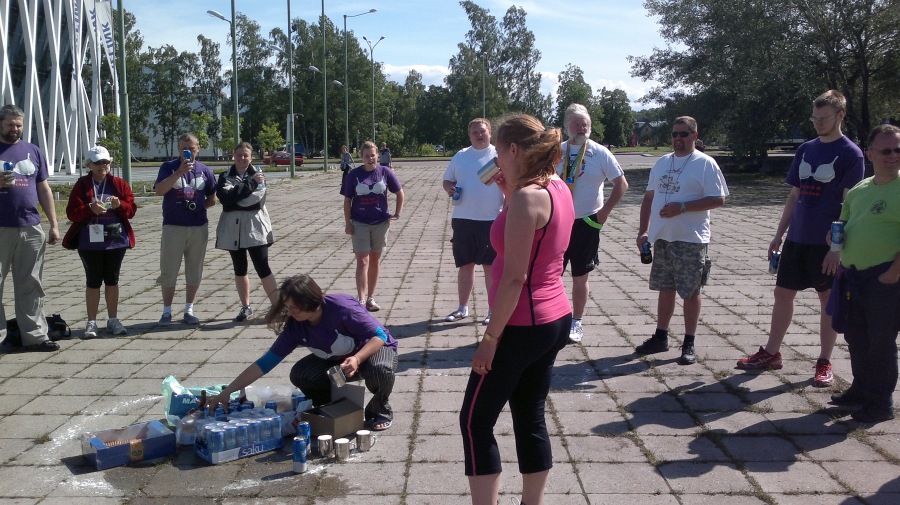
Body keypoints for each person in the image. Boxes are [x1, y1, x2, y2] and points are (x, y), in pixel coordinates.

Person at [459, 114, 573, 505]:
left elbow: (514, 278)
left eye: (499, 153)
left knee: (474, 422)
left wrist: (490, 339)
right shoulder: (556, 186)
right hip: (554, 317)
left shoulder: (527, 198)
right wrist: (508, 192)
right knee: (529, 415)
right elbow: (539, 240)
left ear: (513, 149)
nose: (496, 161)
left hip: (522, 324)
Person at [736, 90, 864, 386]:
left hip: (826, 243)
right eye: (814, 118)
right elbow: (794, 195)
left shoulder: (851, 153)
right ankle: (772, 353)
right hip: (798, 238)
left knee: (827, 300)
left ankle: (824, 361)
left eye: (824, 118)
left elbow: (850, 205)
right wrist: (778, 234)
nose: (818, 123)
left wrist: (836, 247)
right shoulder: (806, 149)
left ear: (840, 115)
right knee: (782, 294)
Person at [206, 274, 398, 431]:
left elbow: (380, 336)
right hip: (339, 359)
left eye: (294, 308)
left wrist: (357, 358)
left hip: (373, 350)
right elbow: (264, 364)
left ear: (311, 302)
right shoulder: (296, 327)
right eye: (287, 307)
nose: (290, 313)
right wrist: (227, 392)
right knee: (301, 373)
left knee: (380, 369)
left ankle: (379, 411)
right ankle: (332, 408)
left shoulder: (342, 309)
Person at [635, 116, 729, 365]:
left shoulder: (705, 163)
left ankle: (689, 342)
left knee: (690, 290)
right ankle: (661, 336)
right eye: (675, 134)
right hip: (662, 237)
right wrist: (643, 231)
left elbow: (718, 199)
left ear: (694, 135)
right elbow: (648, 198)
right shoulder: (662, 162)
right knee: (665, 288)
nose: (678, 138)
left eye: (684, 134)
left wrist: (683, 207)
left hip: (690, 239)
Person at [827, 124, 900, 423]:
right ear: (869, 154)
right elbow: (843, 224)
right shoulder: (860, 189)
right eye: (886, 151)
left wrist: (893, 274)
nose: (893, 156)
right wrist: (833, 240)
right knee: (857, 337)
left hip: (885, 278)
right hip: (854, 276)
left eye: (898, 150)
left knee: (881, 342)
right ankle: (861, 391)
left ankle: (881, 404)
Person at [555, 104, 629, 343]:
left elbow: (621, 184)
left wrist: (604, 213)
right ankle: (553, 318)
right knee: (551, 274)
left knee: (580, 275)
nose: (581, 128)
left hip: (586, 221)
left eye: (584, 123)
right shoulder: (556, 151)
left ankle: (576, 321)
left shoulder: (600, 152)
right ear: (567, 126)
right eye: (576, 124)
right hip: (557, 221)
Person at [0, 104, 60, 352]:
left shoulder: (33, 151)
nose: (15, 129)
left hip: (30, 227)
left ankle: (35, 336)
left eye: (19, 125)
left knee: (31, 283)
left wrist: (54, 224)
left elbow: (44, 189)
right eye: (10, 124)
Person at [63, 146, 136, 338]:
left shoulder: (119, 184)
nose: (102, 166)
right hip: (90, 242)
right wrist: (89, 208)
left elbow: (131, 210)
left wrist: (120, 205)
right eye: (97, 163)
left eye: (105, 162)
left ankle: (113, 320)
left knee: (112, 280)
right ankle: (91, 322)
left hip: (115, 241)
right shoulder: (82, 185)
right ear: (89, 164)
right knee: (93, 281)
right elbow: (71, 213)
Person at [442, 118, 503, 324]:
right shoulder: (461, 155)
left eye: (482, 131)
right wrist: (450, 188)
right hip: (463, 218)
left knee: (490, 266)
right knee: (465, 265)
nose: (479, 135)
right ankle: (462, 308)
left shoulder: (498, 155)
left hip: (491, 219)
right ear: (469, 135)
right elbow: (447, 180)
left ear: (490, 132)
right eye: (474, 132)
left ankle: (492, 310)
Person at [154, 133, 217, 325]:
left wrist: (198, 208)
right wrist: (178, 173)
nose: (187, 151)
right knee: (169, 269)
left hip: (198, 227)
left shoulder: (205, 170)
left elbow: (212, 199)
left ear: (198, 148)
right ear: (178, 149)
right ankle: (166, 311)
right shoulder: (168, 167)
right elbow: (159, 191)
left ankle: (189, 309)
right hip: (173, 226)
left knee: (194, 269)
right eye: (183, 148)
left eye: (191, 148)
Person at [215, 142, 278, 322]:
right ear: (233, 155)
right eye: (239, 155)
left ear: (251, 157)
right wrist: (249, 185)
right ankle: (246, 306)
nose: (242, 158)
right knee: (239, 268)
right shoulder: (225, 176)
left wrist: (236, 196)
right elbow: (225, 199)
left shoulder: (259, 174)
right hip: (232, 230)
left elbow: (256, 201)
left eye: (246, 155)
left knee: (263, 267)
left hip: (255, 228)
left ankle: (278, 307)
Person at [340, 140, 404, 312]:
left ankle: (371, 298)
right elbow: (347, 200)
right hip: (359, 223)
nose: (370, 158)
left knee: (375, 260)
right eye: (366, 156)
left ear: (378, 156)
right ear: (361, 157)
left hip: (380, 223)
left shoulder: (385, 172)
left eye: (373, 155)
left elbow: (399, 193)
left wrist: (397, 214)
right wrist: (348, 223)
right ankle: (361, 300)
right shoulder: (354, 175)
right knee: (362, 261)